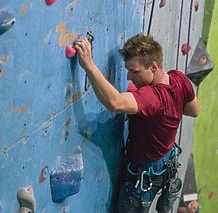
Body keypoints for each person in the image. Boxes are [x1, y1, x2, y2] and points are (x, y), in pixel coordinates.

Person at [74, 33, 200, 213]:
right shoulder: (179, 79)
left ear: (154, 66)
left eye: (135, 72)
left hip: (143, 178)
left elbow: (115, 102)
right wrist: (168, 110)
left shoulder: (151, 98)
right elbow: (194, 110)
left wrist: (88, 64)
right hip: (165, 164)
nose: (129, 77)